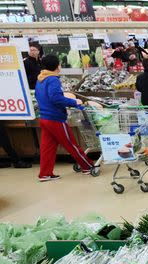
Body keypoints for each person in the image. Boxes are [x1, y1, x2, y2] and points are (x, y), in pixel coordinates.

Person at [35, 54, 95, 182]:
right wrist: (75, 102)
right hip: (55, 118)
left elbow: (40, 97)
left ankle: (45, 174)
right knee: (71, 144)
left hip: (44, 118)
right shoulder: (52, 79)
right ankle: (88, 166)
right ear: (57, 66)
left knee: (47, 148)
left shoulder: (40, 79)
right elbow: (55, 98)